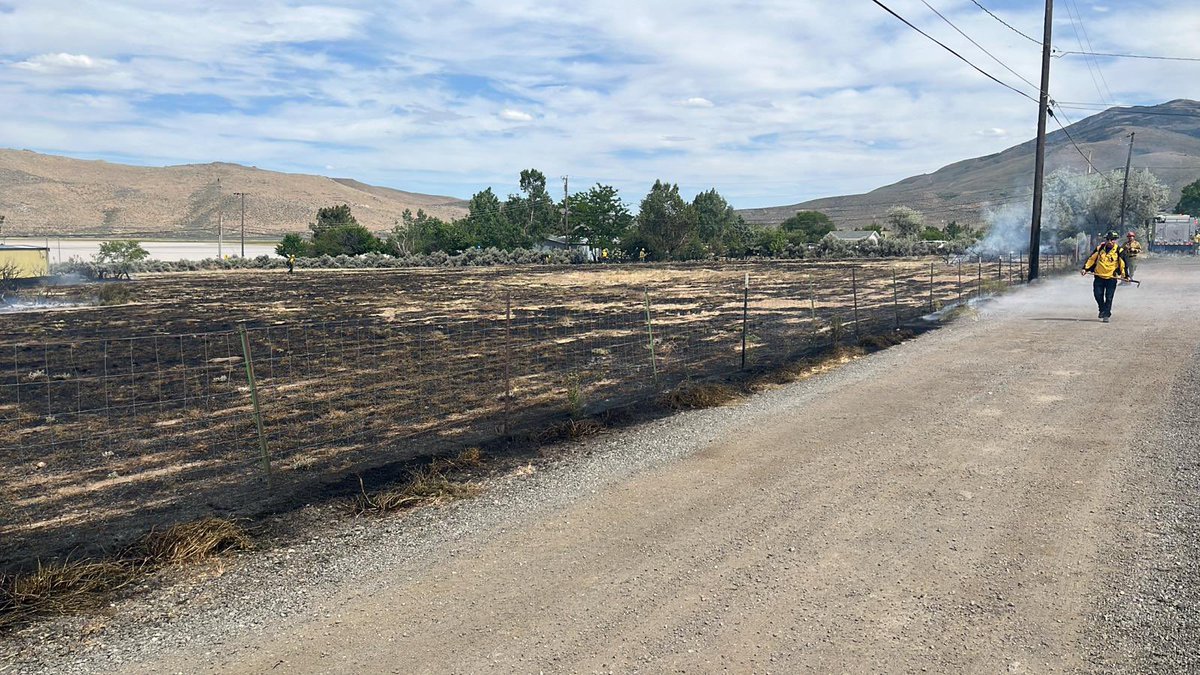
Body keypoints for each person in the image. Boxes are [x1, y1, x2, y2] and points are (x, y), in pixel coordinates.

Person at [1081, 230, 1130, 323]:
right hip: (1099, 276)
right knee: (1097, 295)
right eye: (1108, 239)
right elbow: (1091, 259)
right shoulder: (1099, 248)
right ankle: (1102, 309)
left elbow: (1123, 264)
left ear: (1115, 240)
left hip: (1111, 278)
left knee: (1109, 297)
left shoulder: (1119, 251)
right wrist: (1085, 269)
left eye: (1112, 240)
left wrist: (1126, 276)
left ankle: (1106, 315)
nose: (1110, 242)